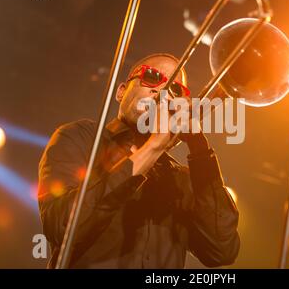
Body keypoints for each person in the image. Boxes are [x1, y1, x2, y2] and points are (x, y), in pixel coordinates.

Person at [38, 53, 240, 268]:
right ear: (121, 91)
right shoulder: (81, 137)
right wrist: (153, 148)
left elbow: (221, 252)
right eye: (152, 77)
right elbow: (60, 226)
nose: (162, 91)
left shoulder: (182, 180)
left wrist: (199, 146)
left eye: (175, 90)